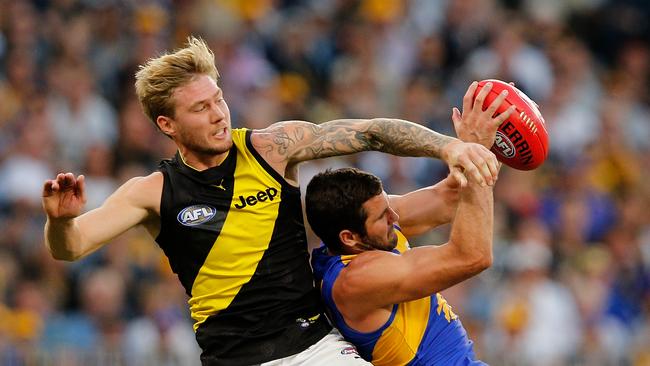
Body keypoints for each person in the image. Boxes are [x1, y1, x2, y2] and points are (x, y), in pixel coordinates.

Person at [42, 36, 510, 365]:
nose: (219, 115)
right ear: (168, 125)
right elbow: (73, 246)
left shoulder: (270, 148)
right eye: (200, 108)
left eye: (219, 99)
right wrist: (61, 221)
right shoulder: (152, 192)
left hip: (312, 343)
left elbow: (369, 132)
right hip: (236, 356)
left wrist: (449, 147)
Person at [306, 87, 510, 365]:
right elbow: (472, 256)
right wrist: (478, 152)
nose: (395, 216)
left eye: (388, 203)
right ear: (349, 237)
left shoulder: (369, 226)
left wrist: (479, 144)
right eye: (382, 216)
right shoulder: (356, 280)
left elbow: (449, 197)